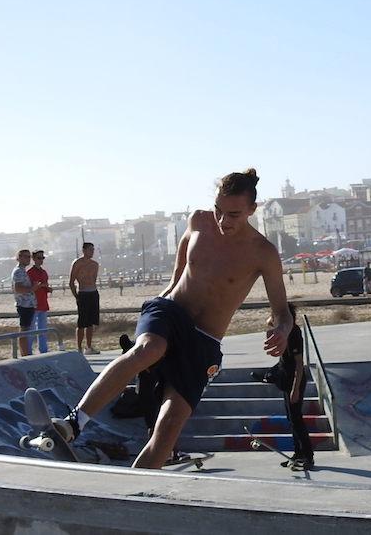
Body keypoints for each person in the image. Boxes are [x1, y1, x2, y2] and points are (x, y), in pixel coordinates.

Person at [52, 169, 293, 469]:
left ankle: (135, 495)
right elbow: (181, 268)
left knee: (170, 424)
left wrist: (282, 331)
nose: (222, 221)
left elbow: (282, 312)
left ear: (251, 210)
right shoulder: (198, 221)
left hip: (204, 340)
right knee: (148, 350)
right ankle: (73, 423)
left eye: (233, 214)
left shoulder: (263, 252)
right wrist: (164, 296)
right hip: (170, 312)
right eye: (218, 210)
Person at [271, 303, 314, 470]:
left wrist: (295, 389)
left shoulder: (294, 333)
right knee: (291, 419)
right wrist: (277, 314)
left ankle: (308, 456)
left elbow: (299, 363)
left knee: (297, 420)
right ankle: (298, 453)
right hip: (285, 379)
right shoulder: (283, 331)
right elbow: (270, 320)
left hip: (295, 380)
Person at [69, 242, 101, 355]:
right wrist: (76, 295)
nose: (92, 252)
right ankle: (78, 348)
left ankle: (89, 347)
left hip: (93, 293)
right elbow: (71, 281)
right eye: (90, 250)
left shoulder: (95, 265)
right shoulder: (78, 263)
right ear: (84, 250)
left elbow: (94, 279)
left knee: (91, 322)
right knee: (82, 322)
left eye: (93, 250)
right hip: (83, 293)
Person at [11, 250, 43, 356]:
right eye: (25, 256)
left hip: (28, 304)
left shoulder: (22, 270)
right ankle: (25, 354)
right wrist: (31, 289)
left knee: (27, 330)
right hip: (24, 304)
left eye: (29, 257)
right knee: (24, 330)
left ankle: (25, 353)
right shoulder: (19, 271)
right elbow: (18, 288)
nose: (28, 259)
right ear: (19, 257)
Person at [27, 251, 53, 353]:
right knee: (31, 330)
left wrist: (47, 288)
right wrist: (42, 285)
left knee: (42, 330)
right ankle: (28, 351)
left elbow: (44, 286)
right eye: (39, 258)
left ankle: (43, 350)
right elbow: (31, 287)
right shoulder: (29, 272)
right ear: (33, 259)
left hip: (43, 303)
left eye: (42, 258)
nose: (41, 260)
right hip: (33, 304)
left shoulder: (44, 272)